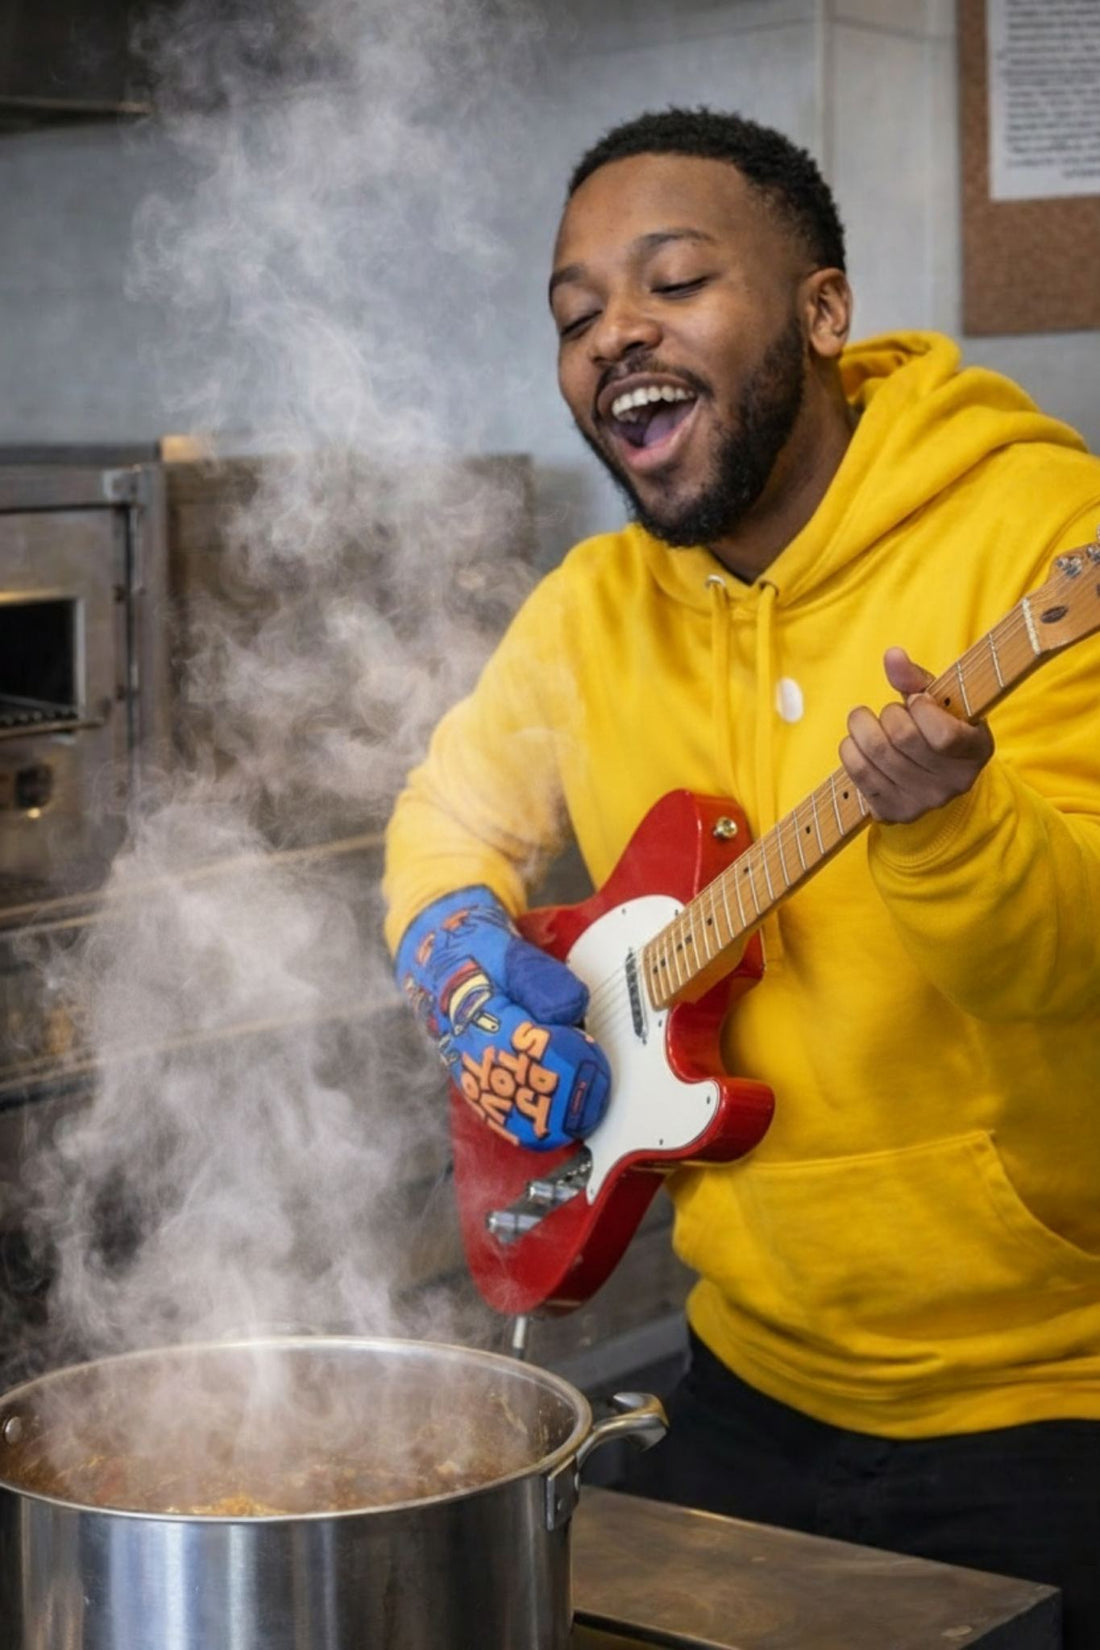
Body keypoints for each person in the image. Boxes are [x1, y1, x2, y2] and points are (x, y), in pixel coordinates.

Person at [383, 108, 1100, 1645]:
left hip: (1052, 1398)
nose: (613, 336)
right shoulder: (591, 608)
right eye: (576, 315)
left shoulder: (1041, 542)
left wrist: (949, 822)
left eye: (676, 281)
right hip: (747, 1380)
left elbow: (1075, 960)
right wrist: (456, 955)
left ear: (824, 313)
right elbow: (447, 809)